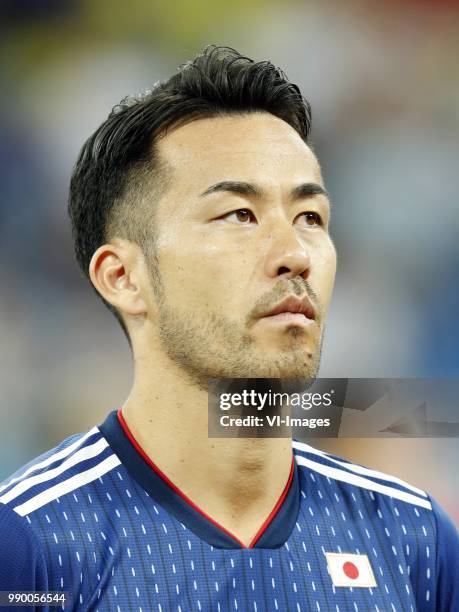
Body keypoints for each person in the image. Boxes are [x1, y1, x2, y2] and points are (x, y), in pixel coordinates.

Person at [0, 45, 457, 612]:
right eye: (238, 214)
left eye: (309, 217)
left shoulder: (416, 541)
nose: (294, 253)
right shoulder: (30, 547)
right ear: (122, 277)